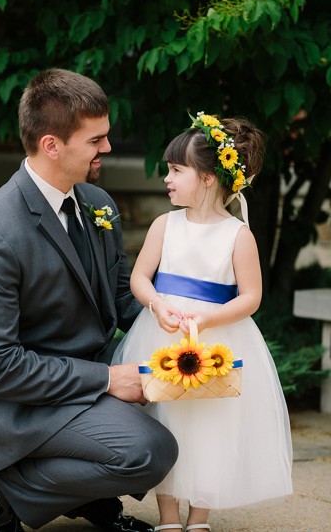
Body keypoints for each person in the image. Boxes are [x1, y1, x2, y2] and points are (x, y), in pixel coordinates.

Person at [0, 68, 178, 531]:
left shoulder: (97, 202)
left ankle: (86, 496)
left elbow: (120, 296)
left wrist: (171, 321)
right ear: (52, 145)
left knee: (185, 410)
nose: (108, 149)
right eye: (96, 140)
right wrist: (107, 379)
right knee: (151, 450)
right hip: (14, 404)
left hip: (77, 384)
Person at [113, 113, 293, 531]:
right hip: (164, 333)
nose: (167, 179)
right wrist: (156, 304)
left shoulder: (237, 235)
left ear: (209, 177)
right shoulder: (165, 225)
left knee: (210, 427)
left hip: (217, 337)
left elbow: (251, 296)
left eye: (176, 170)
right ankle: (169, 517)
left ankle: (200, 517)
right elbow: (140, 277)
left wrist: (210, 317)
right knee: (167, 419)